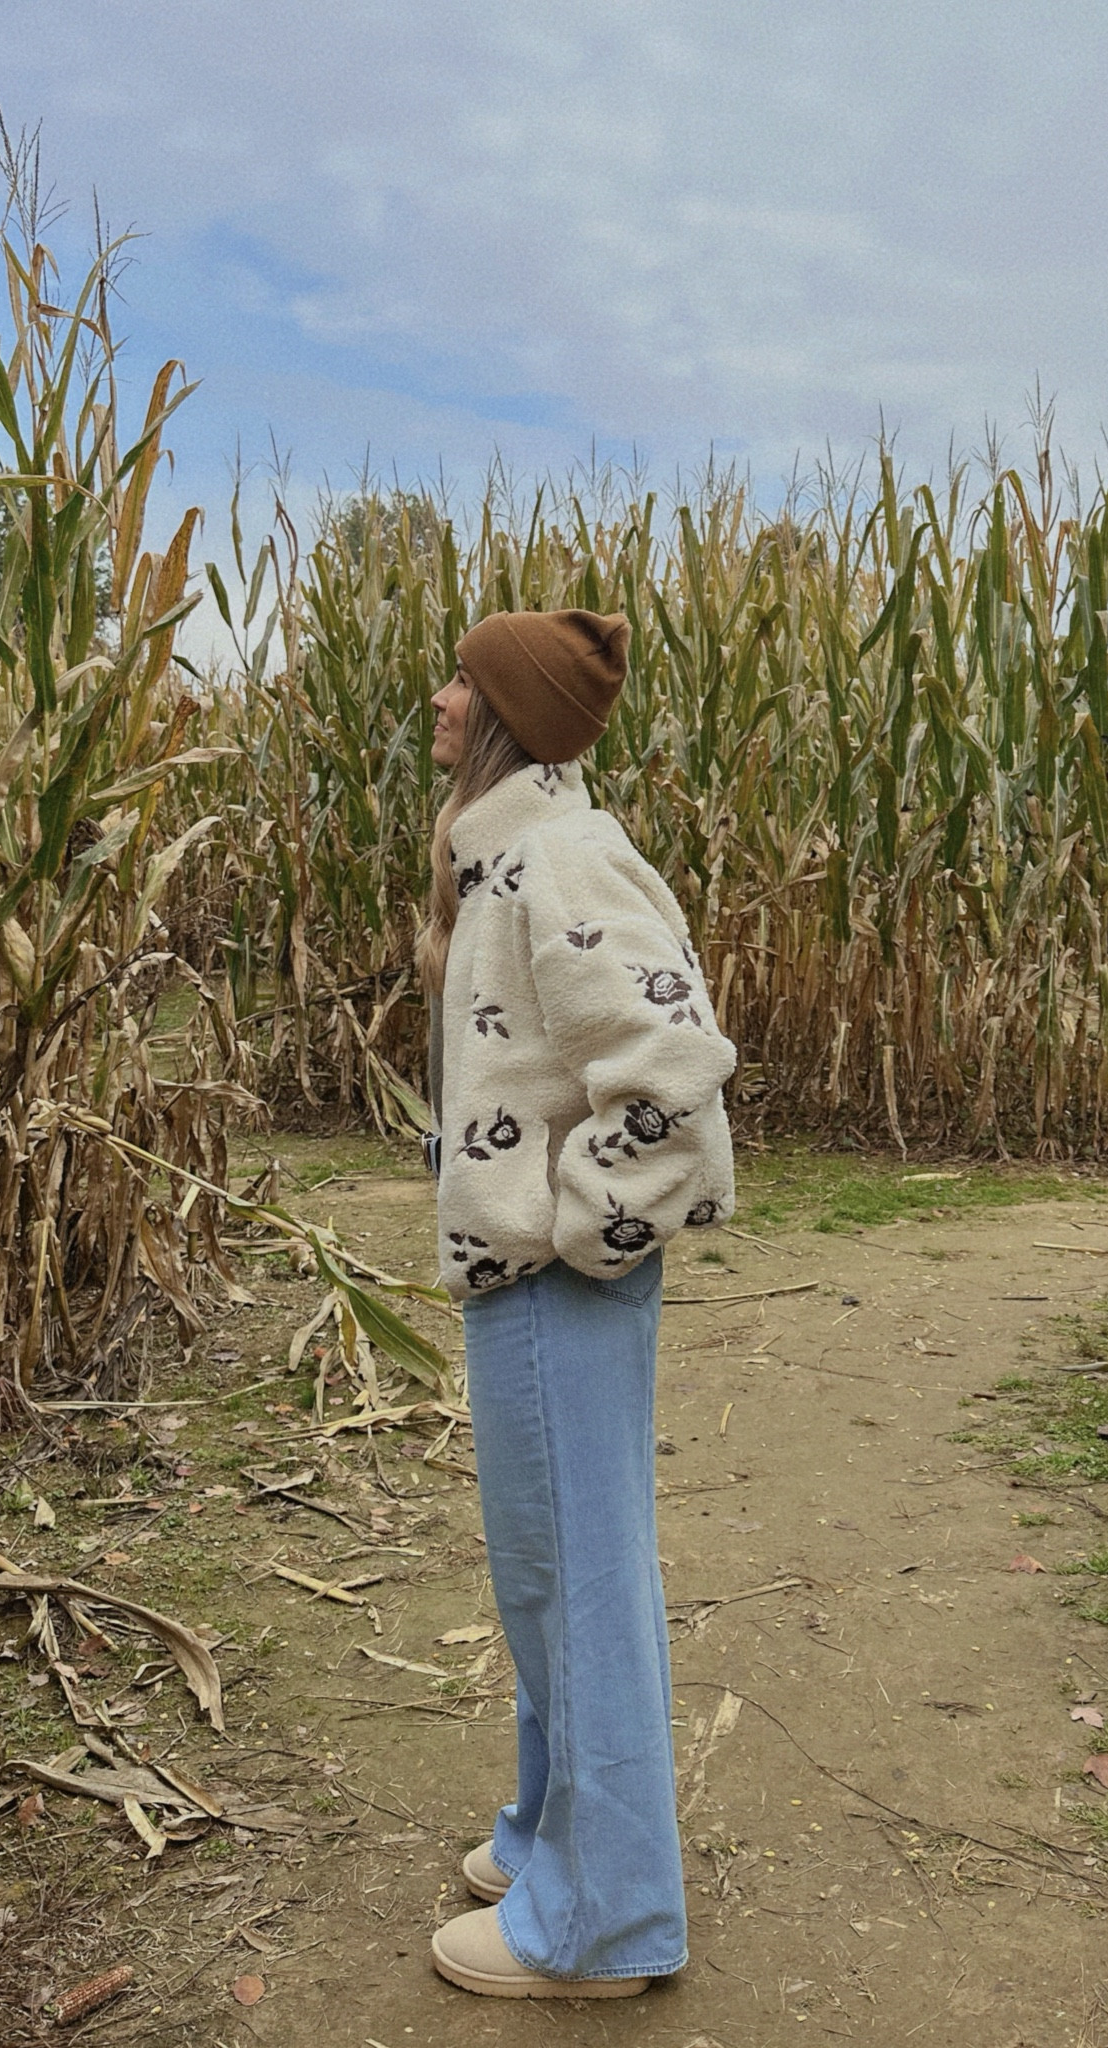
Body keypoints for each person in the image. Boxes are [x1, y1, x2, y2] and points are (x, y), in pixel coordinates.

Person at [417, 607, 737, 1999]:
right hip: (537, 1281)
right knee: (550, 1583)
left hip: (559, 1282)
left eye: (464, 681)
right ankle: (557, 1841)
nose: (440, 699)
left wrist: (577, 1233)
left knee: (584, 1587)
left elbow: (673, 1069)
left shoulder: (558, 857)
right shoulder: (512, 855)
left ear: (507, 717)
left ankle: (601, 1924)